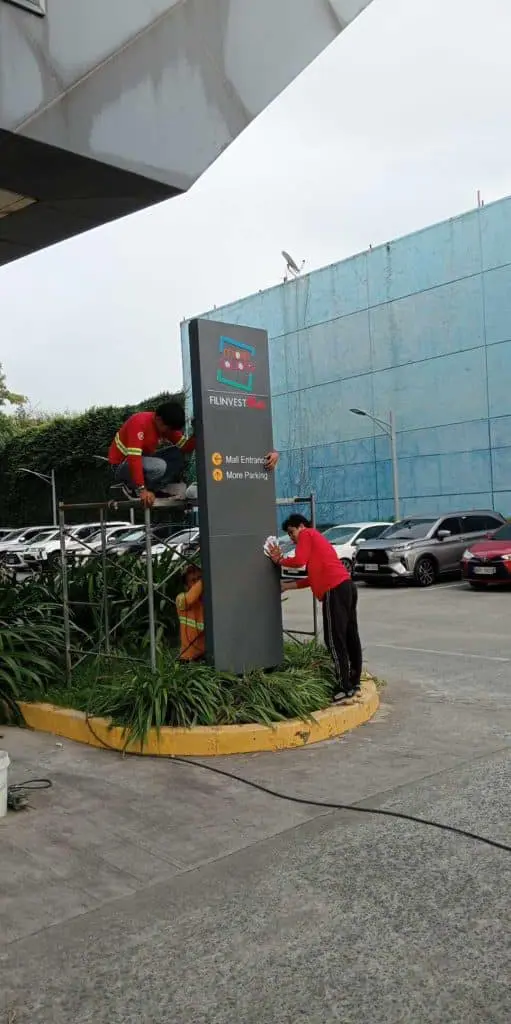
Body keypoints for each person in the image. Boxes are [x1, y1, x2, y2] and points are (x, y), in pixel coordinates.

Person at [108, 401, 280, 508]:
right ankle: (136, 488)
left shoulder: (166, 426)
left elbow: (185, 447)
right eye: (167, 429)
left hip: (143, 464)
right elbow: (134, 458)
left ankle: (155, 488)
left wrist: (198, 432)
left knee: (177, 454)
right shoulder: (139, 422)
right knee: (158, 466)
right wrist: (142, 489)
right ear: (159, 419)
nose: (167, 433)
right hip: (122, 465)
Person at [269, 514, 363, 702]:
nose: (292, 538)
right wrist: (287, 586)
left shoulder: (307, 534)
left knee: (334, 639)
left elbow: (299, 560)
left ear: (301, 526)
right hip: (346, 586)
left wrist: (279, 560)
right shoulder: (317, 541)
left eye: (291, 532)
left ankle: (344, 686)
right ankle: (354, 681)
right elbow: (312, 579)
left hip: (334, 590)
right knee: (350, 635)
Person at [176, 562, 205, 661]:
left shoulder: (208, 601)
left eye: (199, 578)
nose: (197, 583)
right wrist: (204, 580)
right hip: (188, 658)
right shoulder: (181, 598)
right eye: (193, 580)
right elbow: (189, 599)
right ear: (186, 586)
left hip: (205, 655)